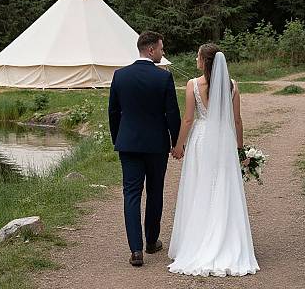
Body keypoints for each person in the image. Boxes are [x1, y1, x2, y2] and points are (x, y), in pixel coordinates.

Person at [168, 43, 259, 277]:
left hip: (201, 138)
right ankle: (225, 237)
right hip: (224, 140)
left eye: (198, 56)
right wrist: (239, 149)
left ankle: (198, 240)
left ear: (204, 61)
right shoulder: (232, 86)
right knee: (223, 186)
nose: (196, 59)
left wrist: (178, 146)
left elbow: (188, 120)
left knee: (200, 185)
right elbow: (237, 120)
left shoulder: (193, 85)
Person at [108, 31, 181, 267]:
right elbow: (172, 113)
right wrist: (175, 141)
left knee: (131, 195)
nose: (163, 52)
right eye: (161, 48)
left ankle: (136, 251)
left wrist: (118, 138)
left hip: (128, 143)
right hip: (156, 145)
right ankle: (151, 241)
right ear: (151, 50)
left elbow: (113, 112)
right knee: (155, 191)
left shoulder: (120, 76)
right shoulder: (163, 78)